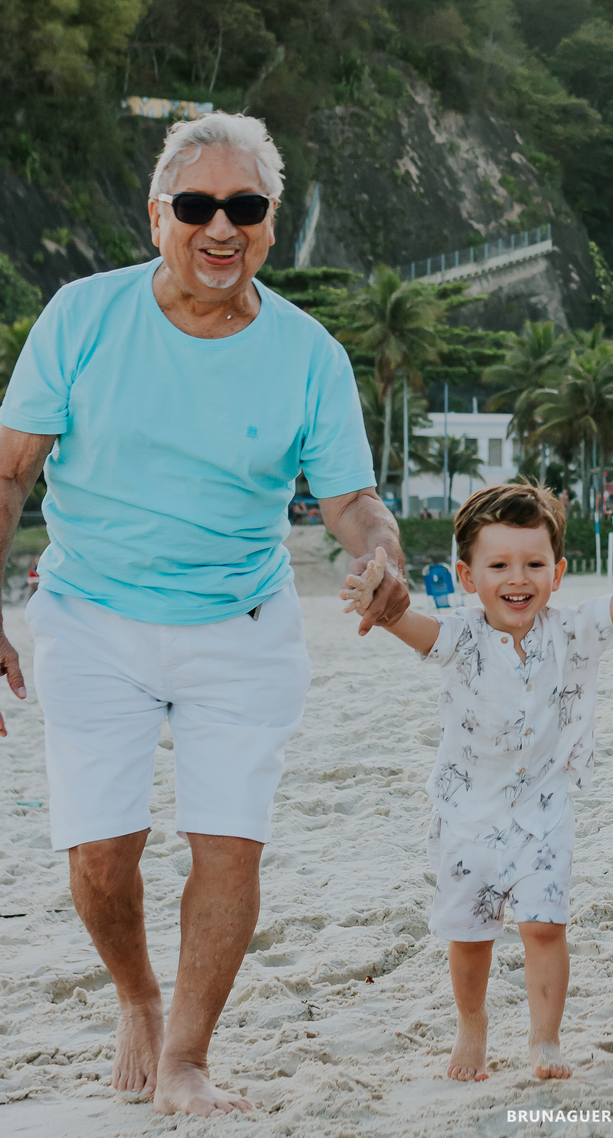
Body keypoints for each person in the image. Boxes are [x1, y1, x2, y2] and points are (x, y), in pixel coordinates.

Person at [0, 112, 409, 1117]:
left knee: (228, 841)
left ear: (271, 226)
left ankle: (186, 1055)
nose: (219, 227)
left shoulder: (310, 353)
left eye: (245, 207)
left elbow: (349, 500)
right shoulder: (83, 318)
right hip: (91, 613)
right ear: (157, 219)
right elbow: (12, 470)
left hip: (244, 623)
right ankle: (137, 996)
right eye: (197, 206)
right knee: (101, 852)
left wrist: (385, 556)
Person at [342, 481, 613, 1082]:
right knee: (470, 936)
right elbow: (410, 625)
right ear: (467, 577)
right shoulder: (460, 635)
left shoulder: (571, 633)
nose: (518, 578)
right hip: (468, 815)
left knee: (544, 926)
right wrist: (379, 607)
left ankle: (545, 1040)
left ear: (558, 572)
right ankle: (472, 1026)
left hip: (545, 808)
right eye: (499, 565)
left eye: (534, 564)